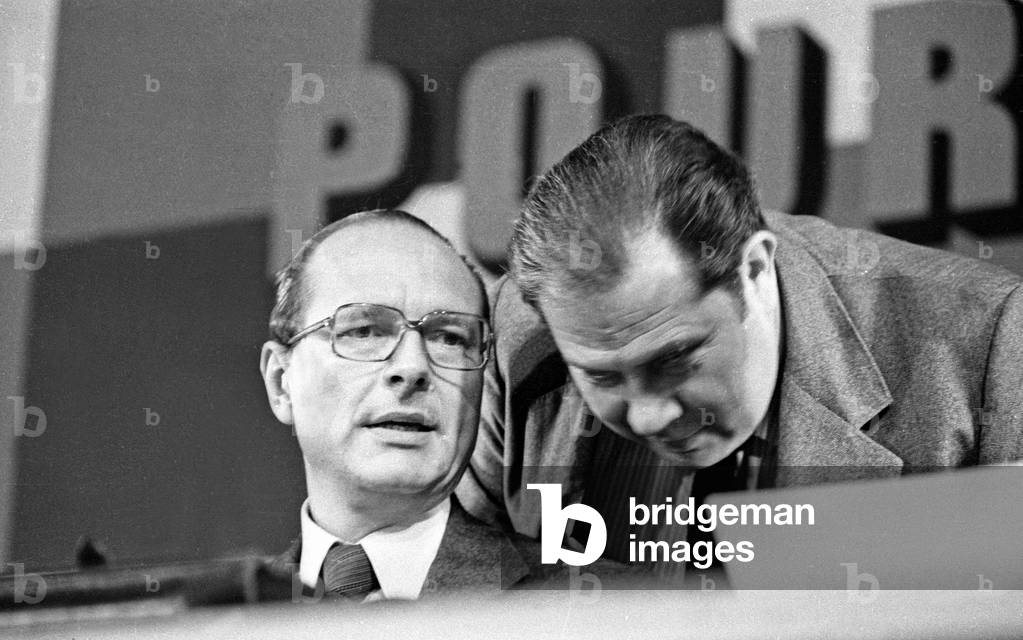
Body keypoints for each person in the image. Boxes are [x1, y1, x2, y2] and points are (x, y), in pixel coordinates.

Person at [457, 114, 1023, 565]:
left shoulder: (992, 343)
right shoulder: (519, 332)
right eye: (602, 376)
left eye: (675, 357)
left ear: (753, 270)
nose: (650, 418)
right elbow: (456, 554)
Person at [255, 209, 560, 602]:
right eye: (363, 330)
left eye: (449, 338)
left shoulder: (595, 612)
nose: (413, 367)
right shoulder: (213, 624)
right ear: (281, 382)